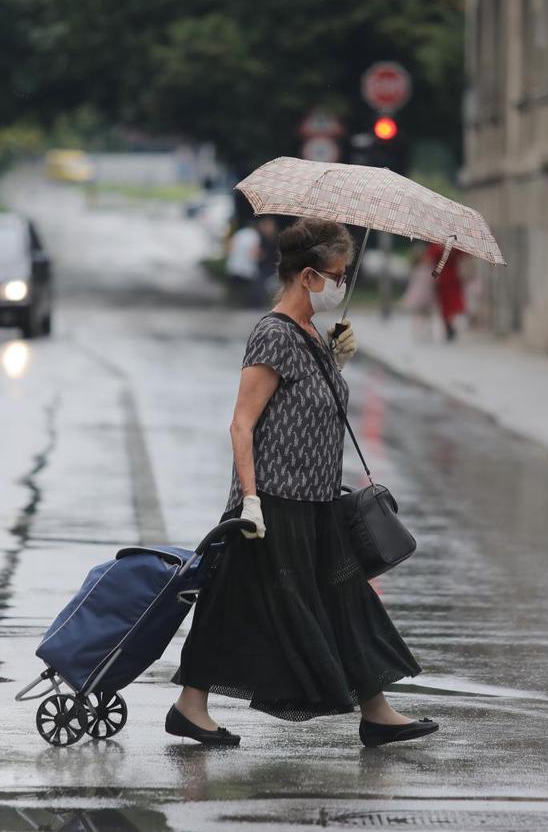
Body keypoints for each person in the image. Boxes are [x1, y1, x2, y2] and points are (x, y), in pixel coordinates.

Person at [169, 217, 437, 749]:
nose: (342, 283)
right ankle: (190, 706)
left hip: (315, 500)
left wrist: (334, 360)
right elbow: (242, 423)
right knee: (233, 604)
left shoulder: (311, 334)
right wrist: (249, 501)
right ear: (309, 275)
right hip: (271, 503)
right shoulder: (273, 333)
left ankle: (376, 711)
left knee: (346, 599)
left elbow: (311, 408)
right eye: (338, 274)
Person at [423, 242, 467, 341]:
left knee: (453, 305)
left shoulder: (450, 247)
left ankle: (451, 325)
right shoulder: (437, 247)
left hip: (450, 279)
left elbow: (428, 259)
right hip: (443, 280)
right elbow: (429, 259)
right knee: (447, 306)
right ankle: (449, 326)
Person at [225, 221, 262, 307]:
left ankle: (233, 304)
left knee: (235, 290)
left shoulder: (239, 234)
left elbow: (230, 248)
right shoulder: (254, 235)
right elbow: (254, 252)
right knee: (250, 289)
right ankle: (250, 305)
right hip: (246, 269)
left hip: (233, 266)